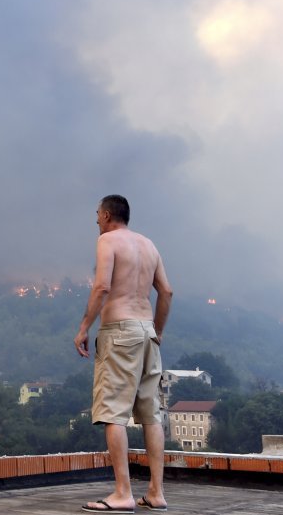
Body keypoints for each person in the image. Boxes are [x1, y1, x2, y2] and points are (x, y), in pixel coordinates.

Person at [74, 195, 173, 513]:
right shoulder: (148, 244)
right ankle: (156, 493)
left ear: (105, 215)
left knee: (113, 412)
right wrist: (157, 331)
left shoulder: (108, 241)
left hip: (120, 333)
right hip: (146, 332)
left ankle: (123, 493)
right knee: (150, 415)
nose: (96, 223)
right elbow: (166, 291)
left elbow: (102, 287)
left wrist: (84, 327)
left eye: (97, 217)